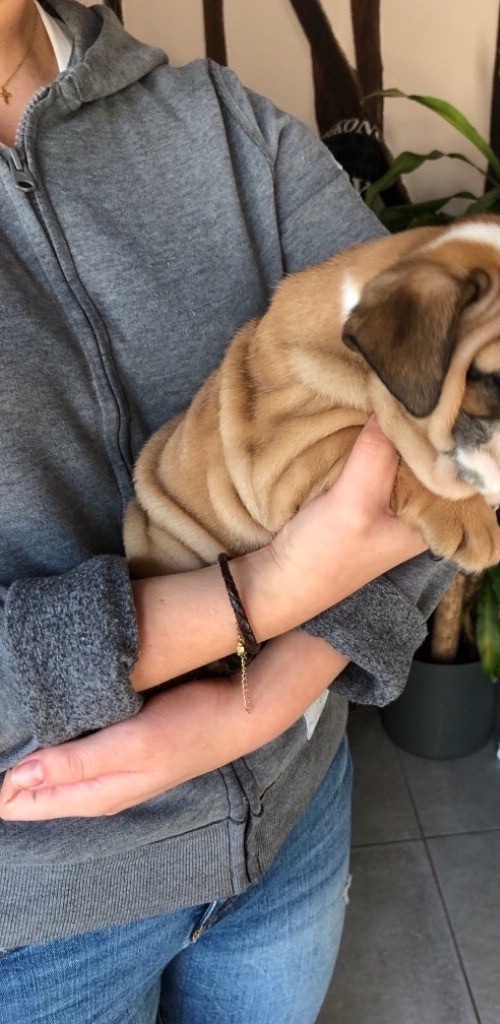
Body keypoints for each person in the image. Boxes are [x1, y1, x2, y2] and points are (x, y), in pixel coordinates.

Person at [0, 1, 454, 1021]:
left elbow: (453, 412)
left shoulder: (221, 121)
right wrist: (268, 591)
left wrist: (275, 691)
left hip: (292, 817)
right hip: (34, 929)